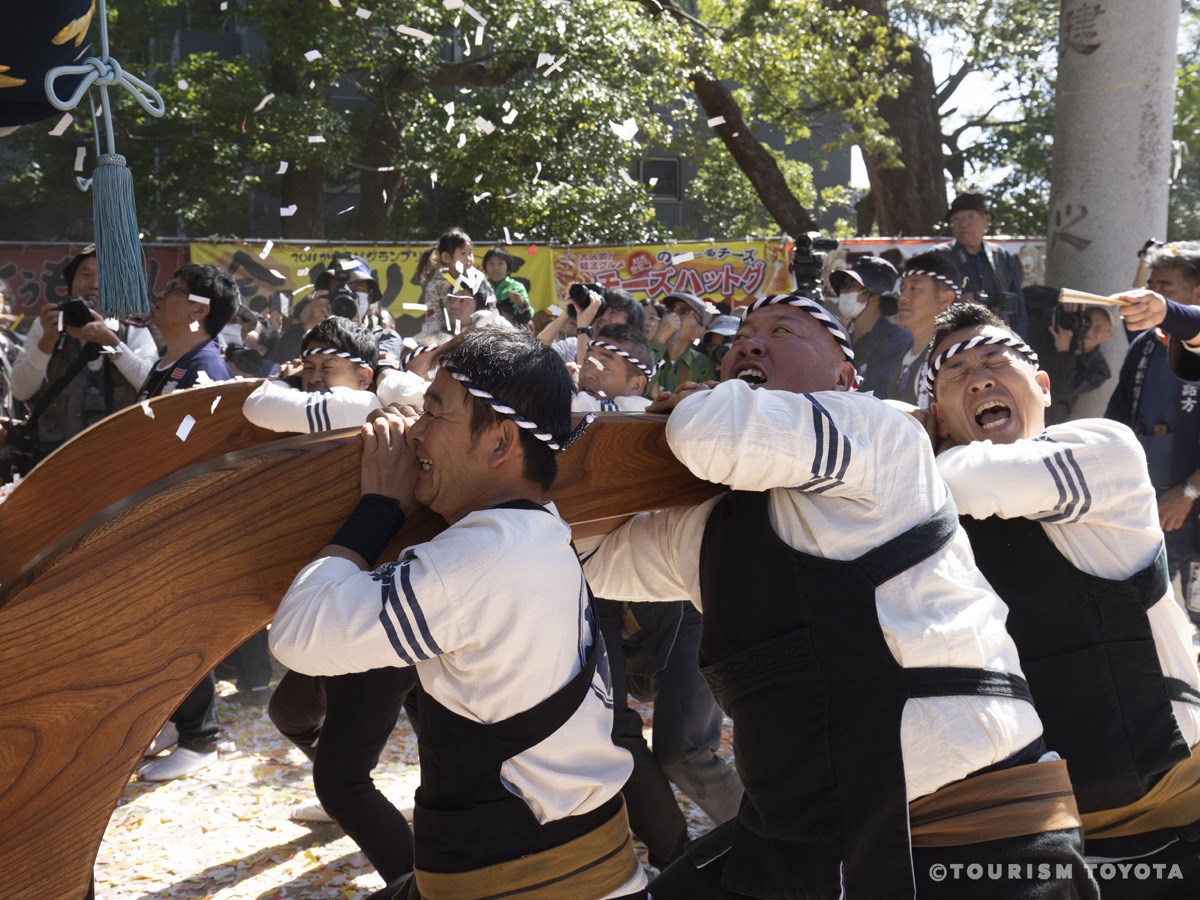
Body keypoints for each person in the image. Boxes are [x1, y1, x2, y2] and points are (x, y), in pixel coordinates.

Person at [582, 293, 1094, 898]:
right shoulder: (711, 523)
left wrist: (695, 406)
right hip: (812, 835)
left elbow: (712, 433)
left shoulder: (880, 432)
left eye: (783, 331)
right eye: (741, 338)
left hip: (969, 835)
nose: (749, 344)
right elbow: (590, 559)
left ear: (846, 379)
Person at [269, 328, 646, 898]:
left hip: (523, 884)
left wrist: (378, 506)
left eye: (435, 412)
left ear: (499, 442)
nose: (415, 432)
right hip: (577, 868)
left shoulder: (486, 553)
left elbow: (299, 634)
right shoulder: (538, 529)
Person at [926, 302, 1200, 897]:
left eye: (997, 361)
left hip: (1168, 806)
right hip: (1032, 826)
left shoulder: (1101, 448)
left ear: (1044, 386)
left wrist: (898, 450)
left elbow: (977, 480)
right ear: (939, 416)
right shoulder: (933, 510)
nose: (980, 379)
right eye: (956, 373)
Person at [135, 264, 238, 781]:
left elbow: (202, 457)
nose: (161, 295)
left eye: (173, 290)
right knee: (157, 628)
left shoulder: (206, 370)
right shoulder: (171, 362)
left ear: (199, 310)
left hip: (185, 525)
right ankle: (178, 722)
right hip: (154, 517)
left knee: (176, 629)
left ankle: (201, 738)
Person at [1105, 241, 1200, 629]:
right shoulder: (1146, 343)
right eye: (1151, 285)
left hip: (1191, 501)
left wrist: (1189, 491)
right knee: (1146, 612)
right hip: (1149, 500)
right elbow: (1119, 416)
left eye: (1166, 287)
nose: (1154, 295)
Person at [8, 247, 158, 470]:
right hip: (54, 460)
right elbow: (20, 390)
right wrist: (46, 342)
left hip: (117, 460)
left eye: (104, 279)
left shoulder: (131, 329)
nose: (94, 285)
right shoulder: (48, 325)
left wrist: (111, 343)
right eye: (86, 275)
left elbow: (151, 385)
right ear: (72, 283)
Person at [933, 191, 1028, 336]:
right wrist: (955, 302)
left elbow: (1018, 309)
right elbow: (924, 303)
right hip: (954, 339)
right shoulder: (938, 257)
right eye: (957, 219)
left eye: (970, 217)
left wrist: (1018, 343)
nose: (963, 224)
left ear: (987, 219)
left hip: (999, 338)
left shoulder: (1002, 257)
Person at [882, 251, 962, 407]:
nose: (903, 297)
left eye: (914, 288)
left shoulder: (953, 356)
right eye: (902, 289)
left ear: (945, 299)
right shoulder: (906, 352)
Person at [828, 254, 909, 395]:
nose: (844, 291)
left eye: (851, 285)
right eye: (844, 285)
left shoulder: (896, 339)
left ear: (874, 294)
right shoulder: (843, 341)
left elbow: (877, 390)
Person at [645, 292, 717, 395]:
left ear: (698, 331)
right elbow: (640, 387)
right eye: (670, 309)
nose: (674, 315)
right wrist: (659, 339)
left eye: (683, 311)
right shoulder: (645, 351)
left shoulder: (703, 365)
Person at [574, 324, 655, 412]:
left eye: (604, 367)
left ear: (636, 385)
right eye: (587, 361)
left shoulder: (637, 409)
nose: (588, 374)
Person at [482, 245, 533, 327]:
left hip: (511, 332)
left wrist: (521, 305)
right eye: (491, 263)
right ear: (485, 267)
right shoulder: (481, 287)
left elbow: (526, 319)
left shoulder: (516, 287)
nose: (495, 268)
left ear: (508, 268)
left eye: (500, 264)